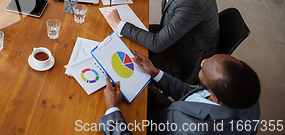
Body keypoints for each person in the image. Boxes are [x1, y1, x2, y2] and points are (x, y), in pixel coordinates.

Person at [99, 51, 261, 135]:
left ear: (215, 97)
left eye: (204, 69)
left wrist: (113, 109)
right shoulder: (246, 92)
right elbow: (195, 95)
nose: (203, 61)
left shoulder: (194, 131)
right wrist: (156, 73)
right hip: (169, 110)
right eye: (209, 59)